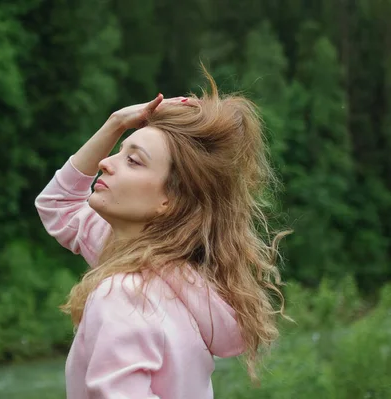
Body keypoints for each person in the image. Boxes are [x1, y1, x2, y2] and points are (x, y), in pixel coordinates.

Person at [35, 67, 290, 399]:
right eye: (118, 151)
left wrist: (114, 126)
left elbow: (58, 205)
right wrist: (115, 124)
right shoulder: (179, 282)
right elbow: (58, 206)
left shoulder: (125, 293)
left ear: (169, 200)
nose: (105, 163)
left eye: (134, 161)